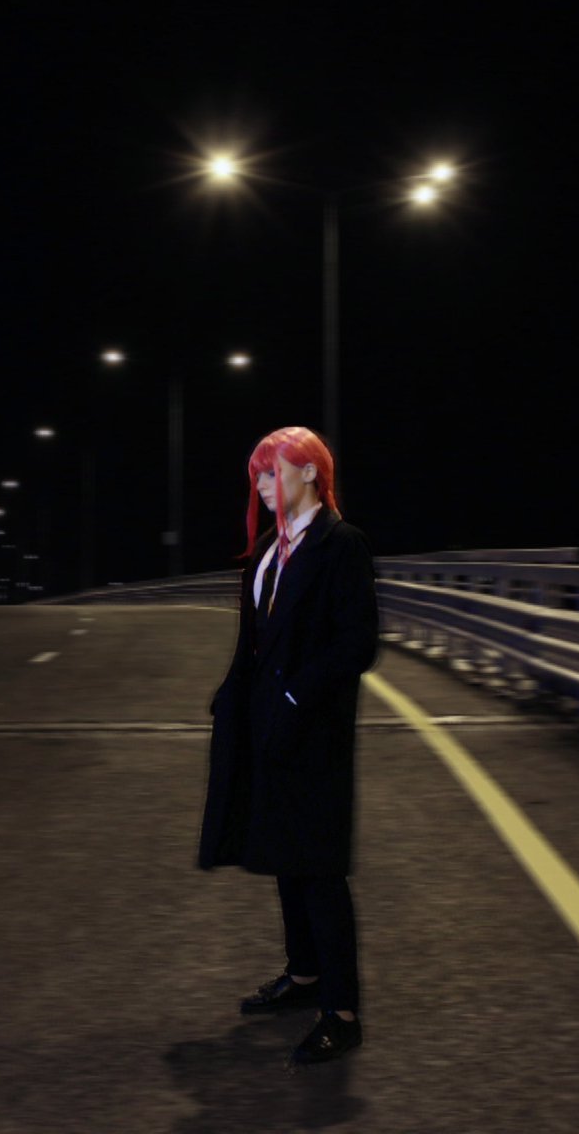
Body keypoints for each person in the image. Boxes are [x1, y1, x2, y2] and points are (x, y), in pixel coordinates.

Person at [199, 425, 379, 1066]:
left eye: (271, 471)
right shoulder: (269, 553)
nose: (261, 484)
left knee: (320, 870)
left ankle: (343, 1013)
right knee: (284, 858)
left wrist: (297, 698)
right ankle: (304, 977)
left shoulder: (340, 545)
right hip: (265, 728)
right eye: (257, 475)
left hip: (313, 733)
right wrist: (232, 698)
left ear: (308, 472)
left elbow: (358, 644)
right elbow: (254, 643)